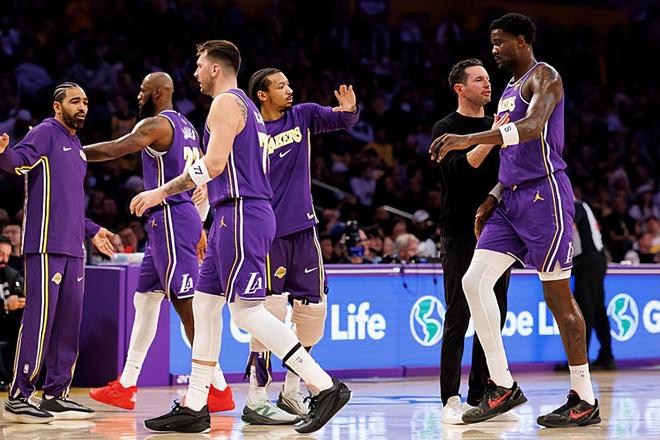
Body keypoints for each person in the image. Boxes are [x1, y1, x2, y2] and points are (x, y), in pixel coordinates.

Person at [131, 40, 351, 434]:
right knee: (204, 305)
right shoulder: (245, 106)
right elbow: (225, 165)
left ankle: (324, 386)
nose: (196, 73)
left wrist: (161, 191)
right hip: (231, 214)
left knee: (247, 312)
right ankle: (195, 404)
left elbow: (213, 164)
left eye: (200, 65)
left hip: (242, 213)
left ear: (215, 68)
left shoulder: (226, 102)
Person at [430, 13, 601, 428]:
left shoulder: (545, 77)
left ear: (522, 41)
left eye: (500, 42)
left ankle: (584, 397)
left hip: (545, 196)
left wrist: (470, 138)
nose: (494, 50)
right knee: (473, 282)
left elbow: (532, 127)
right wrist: (494, 194)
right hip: (510, 199)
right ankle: (502, 385)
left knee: (558, 298)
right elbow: (510, 153)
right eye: (492, 43)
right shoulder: (508, 89)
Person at [83, 72, 233, 412]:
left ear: (160, 91)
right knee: (145, 301)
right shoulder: (188, 127)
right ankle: (126, 384)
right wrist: (199, 222)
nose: (138, 95)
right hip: (172, 221)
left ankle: (217, 387)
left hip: (170, 219)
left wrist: (73, 152)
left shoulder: (156, 125)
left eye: (143, 90)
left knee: (187, 305)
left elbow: (119, 147)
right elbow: (203, 179)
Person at [240, 67, 359, 424]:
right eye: (281, 86)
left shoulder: (302, 115)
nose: (289, 89)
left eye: (289, 83)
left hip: (304, 230)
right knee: (269, 313)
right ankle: (256, 396)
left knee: (313, 314)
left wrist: (349, 109)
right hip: (266, 233)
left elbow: (342, 120)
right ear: (262, 94)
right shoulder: (247, 129)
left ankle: (293, 389)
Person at [0, 82, 115, 423]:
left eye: (86, 102)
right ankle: (20, 394)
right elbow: (18, 163)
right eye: (75, 101)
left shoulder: (77, 146)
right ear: (57, 106)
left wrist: (93, 230)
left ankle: (55, 394)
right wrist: (3, 152)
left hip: (74, 248)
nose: (82, 107)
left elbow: (70, 205)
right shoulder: (45, 132)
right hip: (45, 245)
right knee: (39, 320)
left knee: (68, 323)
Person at [431, 58, 512, 424]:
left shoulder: (498, 124)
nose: (487, 84)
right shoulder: (446, 128)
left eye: (488, 79)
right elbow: (461, 171)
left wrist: (495, 132)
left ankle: (483, 393)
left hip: (498, 230)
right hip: (459, 231)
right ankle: (450, 397)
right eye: (479, 80)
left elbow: (510, 173)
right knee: (459, 314)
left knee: (493, 314)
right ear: (460, 88)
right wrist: (490, 135)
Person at [565, 198, 615, 370]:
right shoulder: (581, 206)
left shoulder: (575, 206)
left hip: (589, 260)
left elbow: (567, 229)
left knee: (584, 311)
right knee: (598, 311)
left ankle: (581, 361)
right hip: (595, 259)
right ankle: (606, 356)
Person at [0, 235, 24, 390]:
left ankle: (22, 377)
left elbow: (20, 294)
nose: (4, 259)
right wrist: (5, 306)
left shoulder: (12, 274)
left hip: (8, 324)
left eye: (7, 255)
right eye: (1, 254)